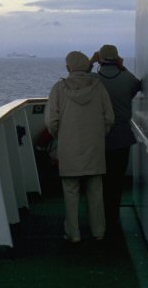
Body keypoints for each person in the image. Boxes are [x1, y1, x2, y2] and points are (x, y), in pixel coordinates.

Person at [46, 51, 114, 243]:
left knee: (70, 191)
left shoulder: (58, 89)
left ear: (68, 67)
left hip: (69, 148)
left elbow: (52, 121)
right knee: (95, 191)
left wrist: (61, 135)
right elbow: (109, 118)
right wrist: (99, 135)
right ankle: (99, 231)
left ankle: (73, 233)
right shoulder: (99, 88)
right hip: (94, 147)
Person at [89, 44, 142, 234]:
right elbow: (137, 85)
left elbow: (76, 77)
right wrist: (123, 67)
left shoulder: (92, 79)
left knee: (98, 180)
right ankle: (113, 219)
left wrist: (90, 61)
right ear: (118, 59)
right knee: (116, 180)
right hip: (122, 137)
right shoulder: (127, 78)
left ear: (100, 59)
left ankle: (98, 219)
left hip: (97, 138)